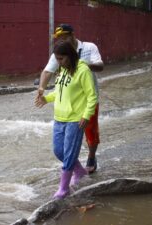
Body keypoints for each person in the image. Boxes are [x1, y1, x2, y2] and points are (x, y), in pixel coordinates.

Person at [36, 24, 103, 174]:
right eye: (59, 39)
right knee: (63, 145)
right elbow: (47, 71)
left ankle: (91, 157)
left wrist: (84, 65)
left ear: (72, 35)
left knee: (91, 132)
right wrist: (42, 88)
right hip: (68, 102)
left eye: (64, 38)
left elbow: (101, 66)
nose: (61, 41)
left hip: (88, 98)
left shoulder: (89, 47)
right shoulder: (59, 53)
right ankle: (77, 168)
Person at [35, 40, 98, 199]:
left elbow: (92, 96)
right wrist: (46, 99)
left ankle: (63, 189)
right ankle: (79, 171)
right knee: (59, 151)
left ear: (70, 56)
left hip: (76, 119)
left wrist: (86, 115)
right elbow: (59, 92)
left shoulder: (83, 71)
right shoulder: (62, 71)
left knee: (69, 153)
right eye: (57, 58)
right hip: (59, 117)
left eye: (61, 58)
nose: (58, 62)